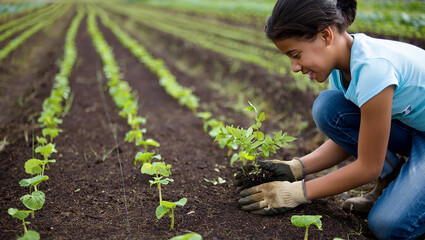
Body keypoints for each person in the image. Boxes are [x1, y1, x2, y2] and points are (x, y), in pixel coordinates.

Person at [236, 0, 425, 239]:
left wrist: (298, 192)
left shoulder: (374, 69)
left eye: (296, 55)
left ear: (326, 36)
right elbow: (360, 136)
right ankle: (392, 181)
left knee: (388, 226)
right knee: (329, 107)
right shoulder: (342, 67)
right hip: (417, 127)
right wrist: (298, 167)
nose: (294, 67)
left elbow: (368, 166)